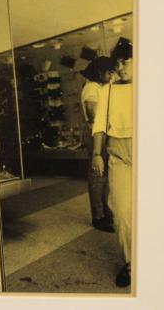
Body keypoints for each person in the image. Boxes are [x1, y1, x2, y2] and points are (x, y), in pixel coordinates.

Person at [92, 39, 133, 288]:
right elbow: (99, 126)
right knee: (121, 212)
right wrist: (97, 155)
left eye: (125, 60)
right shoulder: (108, 90)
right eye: (117, 61)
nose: (120, 66)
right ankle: (130, 262)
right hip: (118, 157)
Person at [81, 56, 114, 232]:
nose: (111, 76)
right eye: (109, 72)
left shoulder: (99, 87)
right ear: (100, 72)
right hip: (95, 134)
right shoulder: (91, 88)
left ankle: (106, 211)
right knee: (97, 174)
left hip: (102, 133)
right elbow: (94, 116)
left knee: (104, 175)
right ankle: (98, 216)